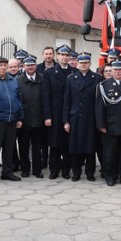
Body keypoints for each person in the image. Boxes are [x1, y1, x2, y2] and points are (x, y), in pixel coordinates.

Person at [63, 52, 103, 182]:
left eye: (86, 63)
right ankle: (76, 173)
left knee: (90, 147)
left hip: (91, 117)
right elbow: (67, 101)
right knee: (75, 147)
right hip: (75, 117)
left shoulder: (97, 78)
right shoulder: (71, 78)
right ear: (77, 63)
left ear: (90, 64)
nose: (83, 65)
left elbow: (99, 101)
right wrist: (66, 121)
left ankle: (90, 173)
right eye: (81, 62)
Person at [43, 44, 76, 179]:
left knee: (67, 143)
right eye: (62, 55)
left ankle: (66, 170)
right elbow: (46, 96)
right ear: (57, 56)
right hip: (55, 114)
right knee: (55, 144)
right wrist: (47, 116)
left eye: (67, 55)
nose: (64, 57)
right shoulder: (49, 73)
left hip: (69, 113)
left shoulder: (74, 72)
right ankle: (54, 170)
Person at [16, 55, 46, 178]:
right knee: (23, 147)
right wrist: (19, 118)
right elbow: (16, 100)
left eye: (32, 65)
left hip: (39, 119)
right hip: (24, 120)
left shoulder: (43, 79)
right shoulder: (18, 80)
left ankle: (37, 170)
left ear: (35, 66)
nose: (30, 67)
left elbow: (46, 99)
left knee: (37, 147)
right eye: (27, 65)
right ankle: (25, 169)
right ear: (23, 67)